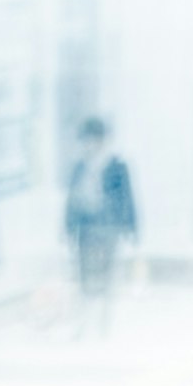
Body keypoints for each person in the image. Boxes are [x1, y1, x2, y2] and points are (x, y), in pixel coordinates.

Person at [62, 109, 137, 331]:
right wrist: (68, 227)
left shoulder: (117, 166)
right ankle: (84, 322)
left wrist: (131, 227)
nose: (88, 144)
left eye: (92, 139)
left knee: (106, 274)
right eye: (85, 140)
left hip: (109, 227)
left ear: (102, 140)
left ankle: (104, 322)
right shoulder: (79, 166)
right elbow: (71, 200)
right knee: (84, 276)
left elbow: (127, 197)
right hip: (86, 227)